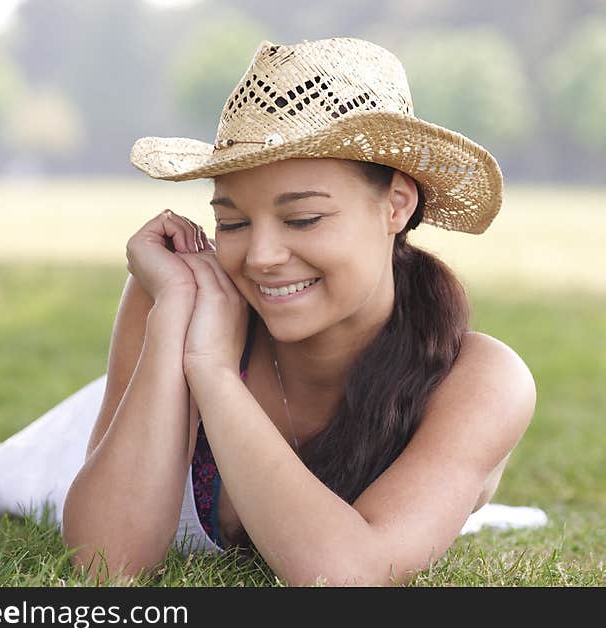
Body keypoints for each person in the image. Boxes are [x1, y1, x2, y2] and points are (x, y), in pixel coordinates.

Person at [61, 37, 537, 587]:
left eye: (303, 219)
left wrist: (214, 374)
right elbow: (107, 565)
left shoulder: (480, 381)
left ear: (397, 205)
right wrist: (174, 318)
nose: (261, 258)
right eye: (233, 223)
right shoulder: (183, 301)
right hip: (103, 434)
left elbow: (350, 577)